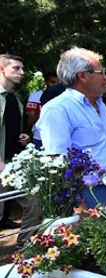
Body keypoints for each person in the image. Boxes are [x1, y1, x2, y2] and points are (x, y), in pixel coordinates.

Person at [36, 47, 106, 214]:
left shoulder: (101, 105)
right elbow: (57, 162)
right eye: (101, 72)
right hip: (88, 195)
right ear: (82, 75)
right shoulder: (58, 109)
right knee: (98, 240)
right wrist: (78, 204)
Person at [0, 54, 42, 240]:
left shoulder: (15, 98)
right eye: (16, 68)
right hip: (2, 164)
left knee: (35, 204)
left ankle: (24, 254)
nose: (22, 72)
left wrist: (22, 136)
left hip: (13, 164)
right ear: (1, 69)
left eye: (22, 68)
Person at [26, 72, 58, 149]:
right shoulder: (35, 96)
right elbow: (30, 122)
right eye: (52, 82)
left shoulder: (65, 97)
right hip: (39, 137)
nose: (56, 86)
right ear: (45, 82)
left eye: (58, 83)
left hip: (58, 138)